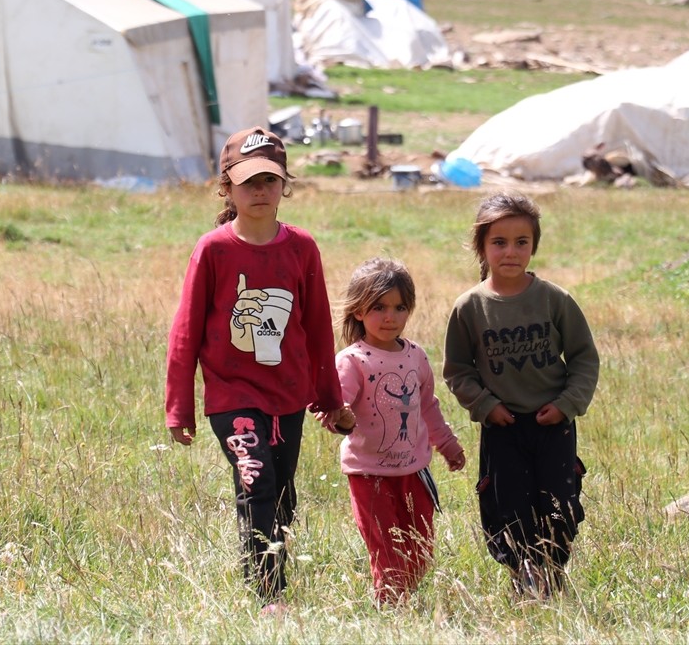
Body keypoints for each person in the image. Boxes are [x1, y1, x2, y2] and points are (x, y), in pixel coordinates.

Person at [165, 126, 354, 613]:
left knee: (283, 493)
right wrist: (179, 407)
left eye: (270, 180)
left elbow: (317, 328)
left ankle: (272, 568)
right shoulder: (213, 250)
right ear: (226, 188)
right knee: (257, 481)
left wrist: (329, 400)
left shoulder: (301, 247)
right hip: (232, 396)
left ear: (284, 185)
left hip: (288, 396)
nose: (260, 190)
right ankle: (268, 594)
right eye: (248, 182)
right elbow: (185, 331)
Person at [442, 192, 599, 601]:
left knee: (559, 505)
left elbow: (584, 359)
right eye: (499, 242)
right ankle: (522, 579)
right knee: (506, 508)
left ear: (534, 246)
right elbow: (458, 370)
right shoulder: (469, 308)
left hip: (553, 426)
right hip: (503, 428)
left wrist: (566, 405)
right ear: (481, 246)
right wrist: (486, 406)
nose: (510, 251)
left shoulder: (554, 299)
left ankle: (553, 575)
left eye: (521, 242)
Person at [327, 257, 465, 605]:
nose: (390, 317)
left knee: (420, 548)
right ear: (359, 310)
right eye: (379, 307)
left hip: (413, 471)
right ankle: (390, 607)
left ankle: (403, 596)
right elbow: (336, 405)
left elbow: (428, 405)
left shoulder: (416, 356)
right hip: (369, 473)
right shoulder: (352, 360)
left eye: (399, 307)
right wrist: (340, 416)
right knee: (386, 547)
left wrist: (447, 444)